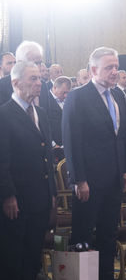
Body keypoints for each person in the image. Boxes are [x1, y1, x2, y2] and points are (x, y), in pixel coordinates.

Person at [62, 47, 126, 280]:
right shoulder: (78, 96)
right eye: (109, 67)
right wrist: (79, 179)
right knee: (83, 237)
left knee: (108, 235)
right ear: (94, 70)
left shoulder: (119, 96)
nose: (114, 71)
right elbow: (71, 141)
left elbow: (125, 136)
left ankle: (105, 276)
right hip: (88, 181)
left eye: (116, 67)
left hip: (114, 179)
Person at [0, 61, 55, 280]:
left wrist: (52, 192)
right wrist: (8, 195)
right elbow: (2, 160)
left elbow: (47, 156)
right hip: (17, 201)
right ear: (16, 83)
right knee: (14, 259)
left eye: (39, 78)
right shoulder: (4, 115)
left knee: (33, 258)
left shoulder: (41, 112)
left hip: (40, 199)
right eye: (33, 78)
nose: (39, 83)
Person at [0, 41, 45, 105]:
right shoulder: (2, 86)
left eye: (40, 63)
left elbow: (47, 111)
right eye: (34, 63)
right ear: (19, 63)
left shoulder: (43, 85)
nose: (38, 68)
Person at [46, 75, 71, 146]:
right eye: (64, 92)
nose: (66, 95)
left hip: (68, 142)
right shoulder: (45, 100)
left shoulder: (69, 100)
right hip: (55, 145)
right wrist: (53, 144)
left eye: (68, 93)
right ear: (55, 87)